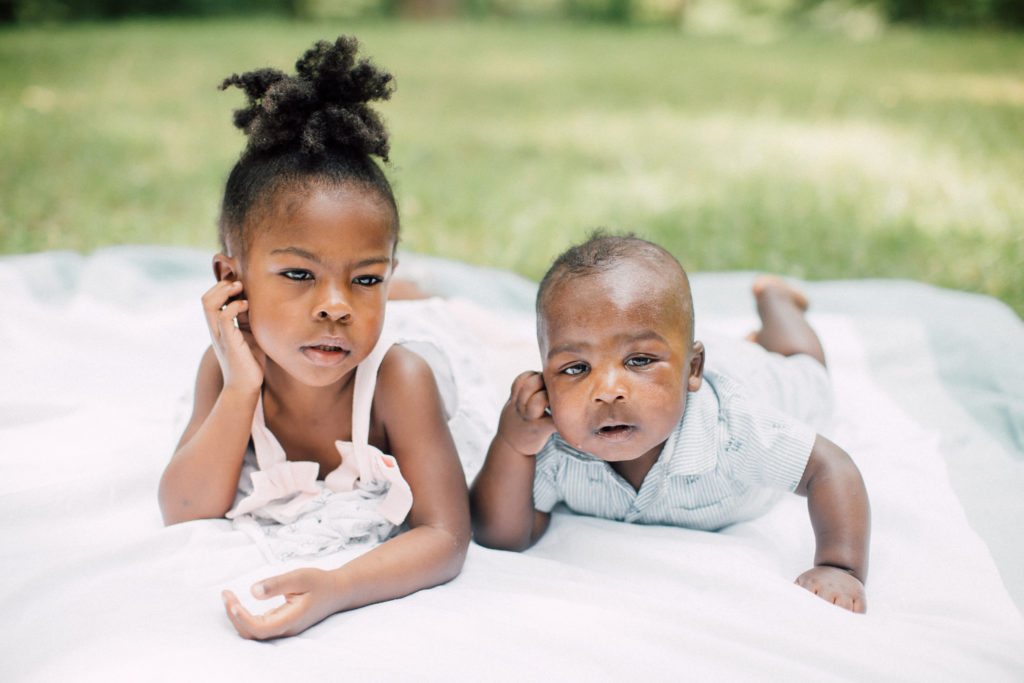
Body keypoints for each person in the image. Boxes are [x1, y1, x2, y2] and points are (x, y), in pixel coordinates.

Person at [158, 36, 471, 639]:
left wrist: (340, 586)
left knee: (452, 321)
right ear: (231, 280)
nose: (334, 307)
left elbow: (447, 535)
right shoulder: (225, 370)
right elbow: (185, 509)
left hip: (433, 361)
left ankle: (421, 297)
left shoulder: (401, 381)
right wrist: (241, 388)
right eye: (299, 275)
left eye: (367, 279)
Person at [470, 234, 871, 613]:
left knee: (807, 369)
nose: (607, 390)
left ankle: (776, 301)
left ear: (692, 368)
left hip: (756, 379)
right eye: (576, 367)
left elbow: (830, 467)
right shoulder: (555, 443)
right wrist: (512, 444)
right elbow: (502, 535)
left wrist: (840, 567)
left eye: (639, 360)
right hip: (683, 361)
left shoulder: (733, 430)